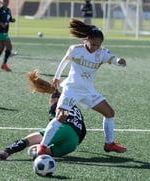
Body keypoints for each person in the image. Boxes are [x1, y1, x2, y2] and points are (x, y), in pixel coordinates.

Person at [37, 19, 127, 156]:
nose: (95, 47)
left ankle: (109, 144)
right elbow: (64, 61)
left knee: (109, 113)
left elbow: (113, 59)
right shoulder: (75, 50)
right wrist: (57, 77)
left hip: (88, 91)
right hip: (71, 89)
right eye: (93, 44)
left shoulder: (101, 53)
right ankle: (42, 147)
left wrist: (119, 61)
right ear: (86, 39)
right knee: (61, 116)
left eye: (98, 45)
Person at [0, 70, 86, 160]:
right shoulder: (75, 108)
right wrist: (75, 142)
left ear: (55, 99)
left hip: (63, 129)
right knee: (38, 151)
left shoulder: (56, 105)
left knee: (27, 141)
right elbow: (83, 130)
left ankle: (6, 152)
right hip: (72, 143)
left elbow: (53, 125)